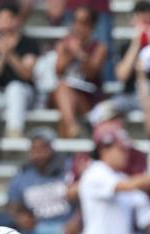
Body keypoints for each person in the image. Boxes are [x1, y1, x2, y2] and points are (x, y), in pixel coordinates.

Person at [0, 0, 39, 138]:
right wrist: (2, 56)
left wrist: (10, 54)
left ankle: (14, 132)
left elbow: (27, 74)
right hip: (0, 93)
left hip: (24, 93)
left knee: (15, 88)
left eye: (9, 18)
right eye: (2, 18)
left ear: (17, 19)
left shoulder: (28, 43)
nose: (6, 22)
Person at [52, 5, 106, 139]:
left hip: (88, 95)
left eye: (84, 23)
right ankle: (72, 127)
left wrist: (80, 53)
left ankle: (70, 133)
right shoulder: (63, 45)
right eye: (76, 21)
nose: (79, 27)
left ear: (92, 26)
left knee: (66, 102)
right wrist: (69, 53)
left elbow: (91, 73)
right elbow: (58, 71)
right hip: (66, 93)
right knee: (63, 88)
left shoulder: (99, 47)